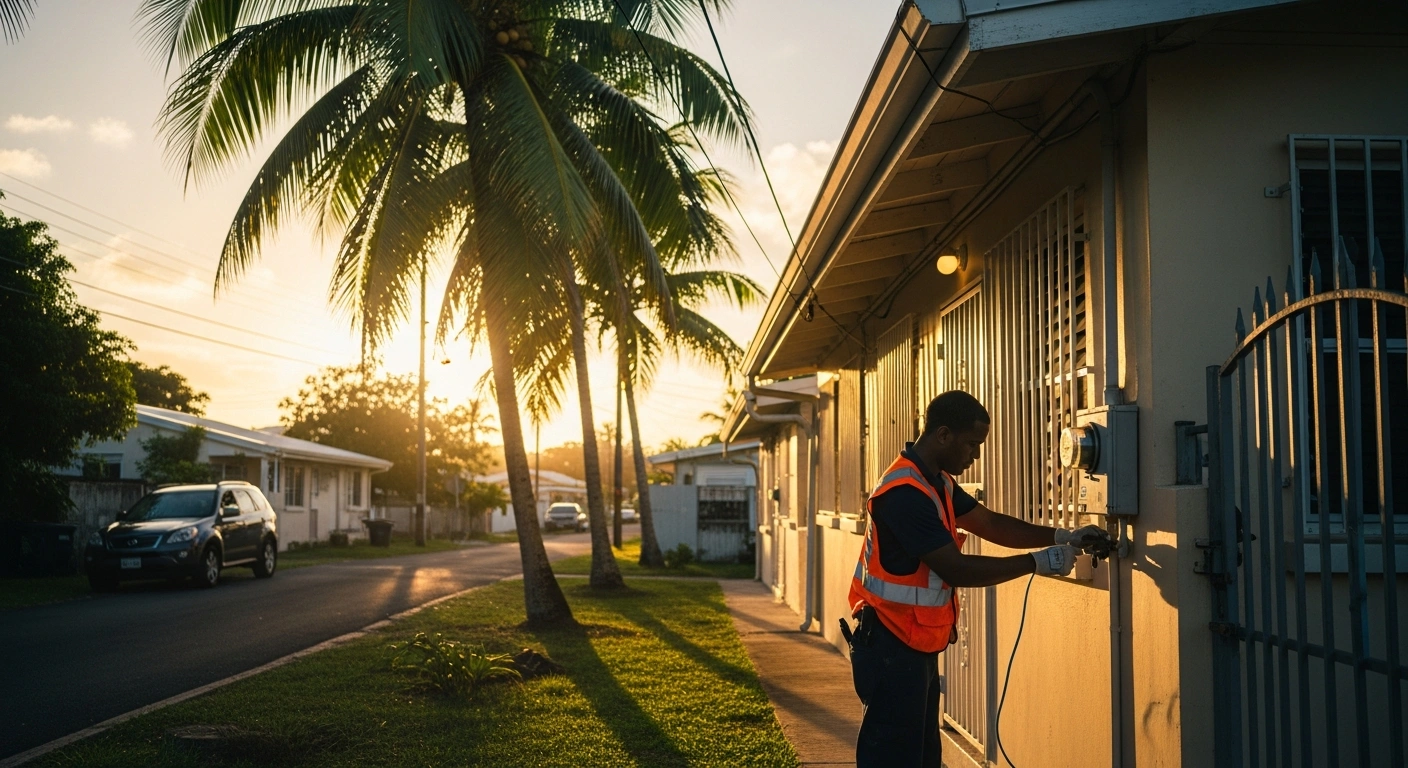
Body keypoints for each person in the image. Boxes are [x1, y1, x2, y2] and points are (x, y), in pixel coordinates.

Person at [845, 390, 1110, 768]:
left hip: (911, 641)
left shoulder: (935, 481)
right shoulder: (905, 493)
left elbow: (989, 523)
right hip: (890, 644)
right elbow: (958, 570)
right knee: (893, 758)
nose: (976, 455)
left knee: (920, 757)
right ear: (943, 435)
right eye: (972, 444)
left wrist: (1060, 536)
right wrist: (1038, 562)